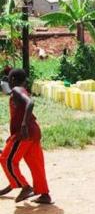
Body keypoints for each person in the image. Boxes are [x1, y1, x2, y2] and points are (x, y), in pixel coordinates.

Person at [0, 69, 52, 204]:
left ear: (12, 80)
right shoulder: (18, 91)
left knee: (6, 160)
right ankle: (44, 194)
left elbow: (30, 102)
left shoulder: (17, 90)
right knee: (36, 165)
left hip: (25, 133)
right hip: (33, 132)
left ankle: (25, 186)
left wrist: (23, 125)